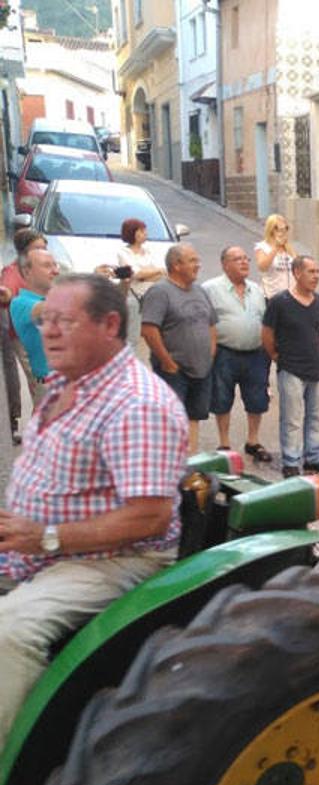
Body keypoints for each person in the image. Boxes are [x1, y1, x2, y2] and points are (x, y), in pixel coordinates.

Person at [0, 273, 188, 747]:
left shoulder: (137, 405)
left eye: (64, 320)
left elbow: (149, 517)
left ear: (109, 324)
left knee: (10, 632)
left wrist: (44, 537)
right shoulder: (69, 380)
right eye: (46, 319)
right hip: (40, 542)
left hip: (113, 558)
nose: (47, 330)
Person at [261, 256, 319, 478]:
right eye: (311, 272)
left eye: (317, 272)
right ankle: (291, 462)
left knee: (315, 417)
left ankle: (313, 457)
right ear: (296, 273)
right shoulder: (279, 302)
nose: (316, 276)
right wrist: (276, 356)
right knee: (292, 418)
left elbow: (316, 333)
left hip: (317, 368)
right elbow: (267, 334)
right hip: (291, 369)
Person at [141, 244, 217, 454]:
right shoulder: (160, 292)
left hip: (202, 369)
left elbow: (211, 325)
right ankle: (168, 465)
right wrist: (167, 362)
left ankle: (189, 463)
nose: (198, 265)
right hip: (174, 371)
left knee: (194, 417)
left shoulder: (200, 291)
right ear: (176, 265)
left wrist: (210, 355)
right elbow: (149, 330)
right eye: (192, 260)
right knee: (171, 420)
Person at [203, 246, 273, 463]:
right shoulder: (210, 289)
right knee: (222, 398)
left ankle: (253, 441)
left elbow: (265, 320)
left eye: (246, 259)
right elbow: (204, 322)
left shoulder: (257, 289)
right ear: (225, 264)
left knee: (257, 399)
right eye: (237, 259)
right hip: (225, 353)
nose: (244, 263)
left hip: (255, 353)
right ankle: (224, 443)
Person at [0, 229, 45, 443]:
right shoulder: (13, 271)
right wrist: (6, 294)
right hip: (22, 335)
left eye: (44, 248)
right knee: (38, 383)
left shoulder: (41, 269)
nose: (43, 252)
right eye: (38, 248)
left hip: (40, 334)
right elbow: (7, 290)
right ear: (24, 251)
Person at [9, 248, 61, 409]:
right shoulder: (20, 303)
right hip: (51, 388)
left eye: (55, 265)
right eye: (47, 266)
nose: (55, 270)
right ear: (27, 271)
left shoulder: (57, 297)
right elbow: (47, 309)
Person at [115, 217, 167, 352]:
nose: (145, 234)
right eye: (142, 231)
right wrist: (148, 274)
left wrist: (146, 276)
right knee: (133, 335)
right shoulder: (123, 252)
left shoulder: (148, 251)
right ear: (133, 233)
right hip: (135, 296)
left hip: (152, 295)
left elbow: (162, 272)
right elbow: (135, 274)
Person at [255, 214, 295, 299]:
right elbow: (262, 267)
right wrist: (275, 247)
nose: (282, 231)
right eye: (278, 229)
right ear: (271, 230)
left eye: (285, 228)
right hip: (272, 296)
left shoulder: (288, 248)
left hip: (290, 296)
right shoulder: (262, 247)